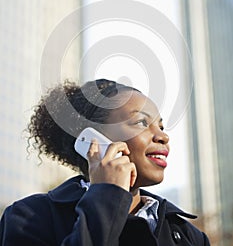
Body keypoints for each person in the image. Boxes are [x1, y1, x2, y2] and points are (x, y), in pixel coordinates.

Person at [0, 79, 210, 245]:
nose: (163, 137)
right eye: (141, 122)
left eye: (161, 127)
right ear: (94, 139)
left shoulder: (189, 235)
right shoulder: (29, 217)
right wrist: (107, 196)